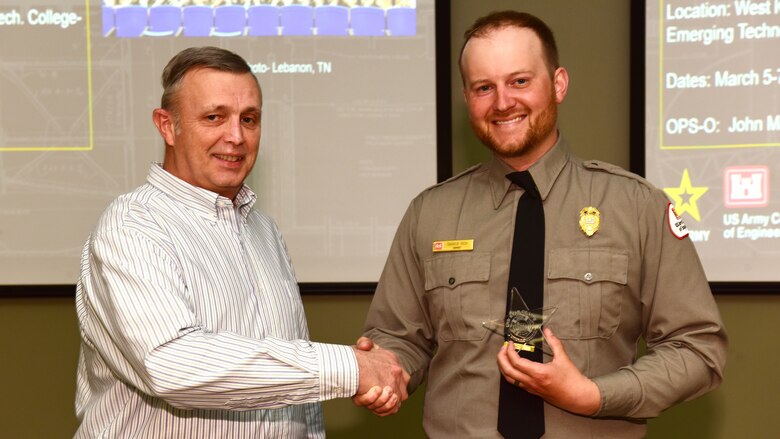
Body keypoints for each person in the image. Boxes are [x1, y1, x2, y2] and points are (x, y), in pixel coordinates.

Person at [356, 10, 727, 438]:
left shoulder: (637, 206)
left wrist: (593, 395)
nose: (502, 102)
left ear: (558, 84)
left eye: (519, 81)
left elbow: (698, 350)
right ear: (466, 98)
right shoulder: (429, 214)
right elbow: (400, 338)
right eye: (484, 87)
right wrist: (386, 371)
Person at [74, 46, 408, 438]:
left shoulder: (263, 231)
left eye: (249, 119)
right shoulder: (133, 226)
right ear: (167, 126)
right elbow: (171, 365)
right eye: (214, 117)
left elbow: (293, 389)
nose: (235, 136)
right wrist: (352, 368)